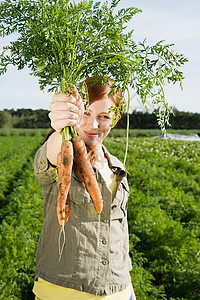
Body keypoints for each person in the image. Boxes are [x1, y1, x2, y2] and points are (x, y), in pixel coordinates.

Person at [32, 77, 136, 300]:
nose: (93, 124)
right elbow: (52, 152)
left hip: (120, 292)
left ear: (115, 119)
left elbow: (119, 234)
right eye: (86, 113)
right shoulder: (58, 152)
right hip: (62, 294)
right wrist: (61, 124)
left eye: (104, 116)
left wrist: (128, 291)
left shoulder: (117, 166)